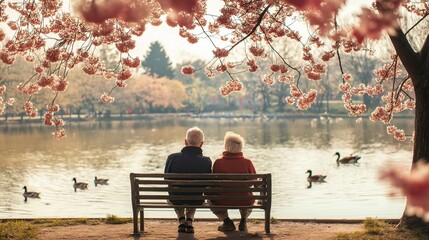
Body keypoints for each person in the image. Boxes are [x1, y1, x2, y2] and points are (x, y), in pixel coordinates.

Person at [164, 127, 212, 233]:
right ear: (202, 144)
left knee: (175, 190)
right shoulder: (207, 161)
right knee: (195, 191)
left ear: (185, 142)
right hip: (196, 199)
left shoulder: (172, 158)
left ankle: (182, 220)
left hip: (175, 198)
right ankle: (189, 220)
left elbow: (166, 178)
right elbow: (207, 183)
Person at [211, 131, 256, 232]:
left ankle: (227, 222)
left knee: (211, 201)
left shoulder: (218, 162)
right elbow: (254, 182)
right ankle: (243, 221)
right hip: (244, 200)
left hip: (222, 201)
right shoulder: (247, 162)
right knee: (247, 196)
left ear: (226, 146)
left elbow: (213, 183)